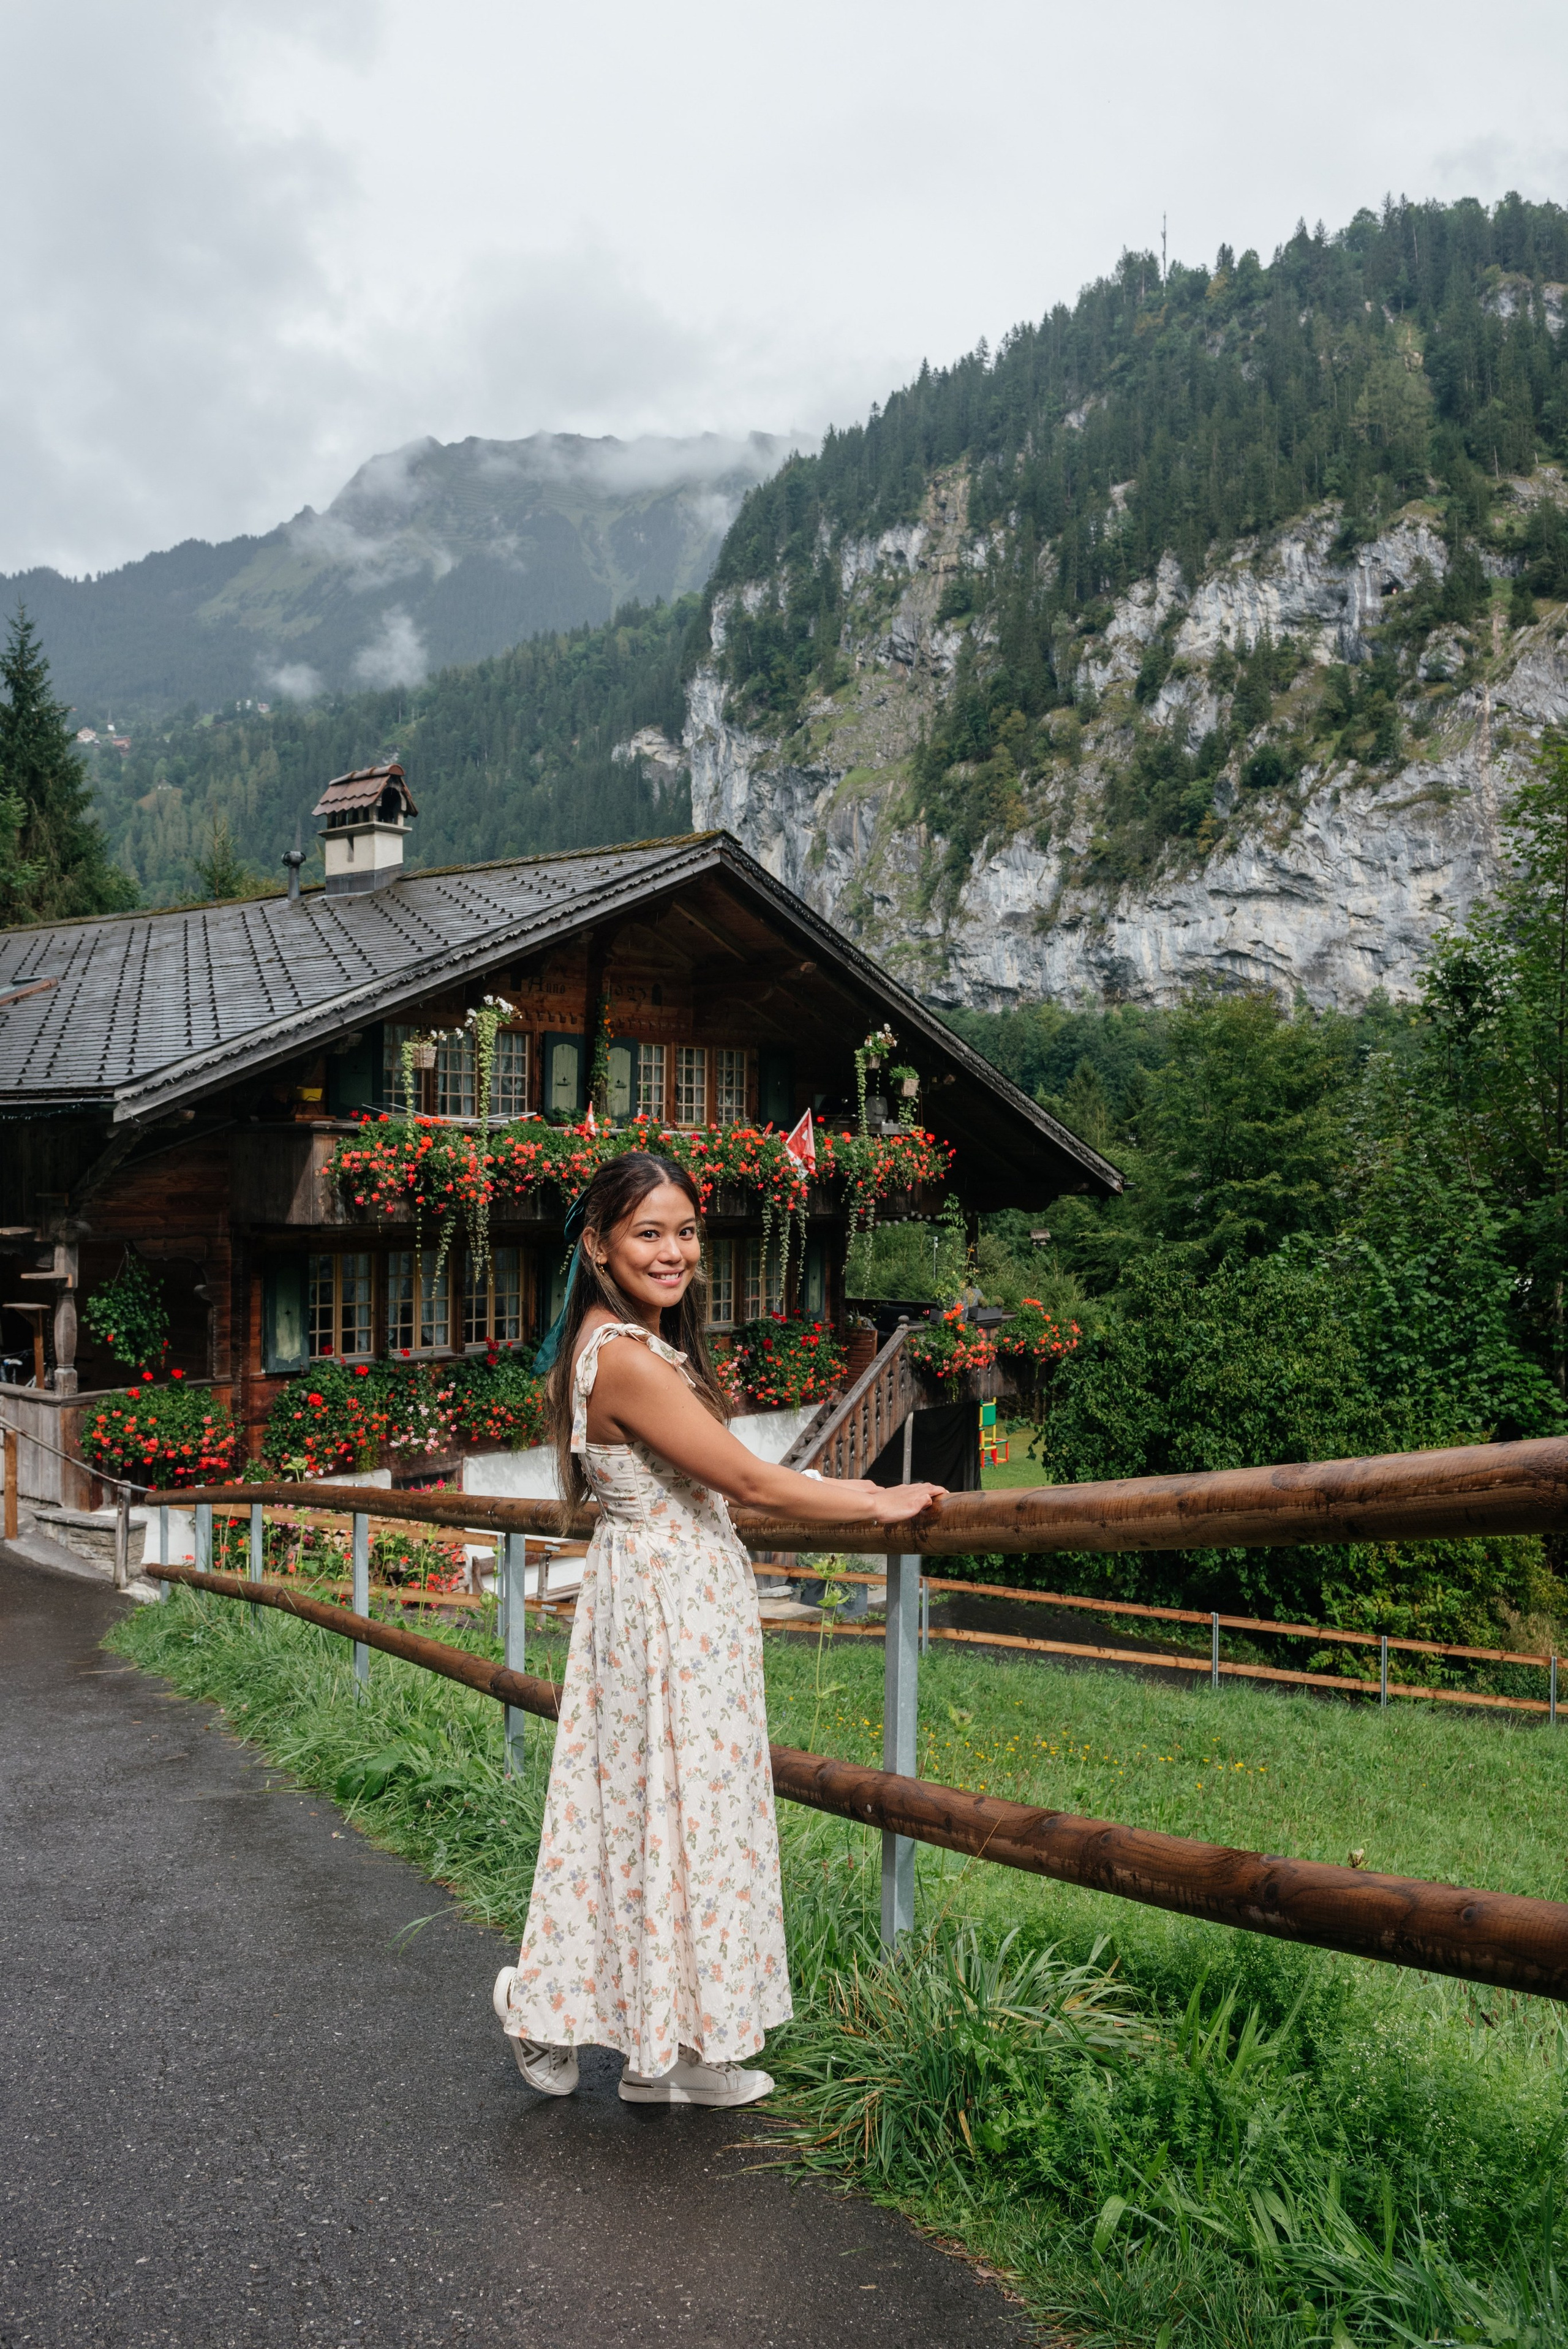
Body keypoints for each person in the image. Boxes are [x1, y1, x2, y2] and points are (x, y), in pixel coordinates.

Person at [492, 1151, 946, 2108]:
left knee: (672, 1815)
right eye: (648, 1232)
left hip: (673, 1604)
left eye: (687, 1231)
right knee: (674, 1810)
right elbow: (744, 1481)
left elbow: (727, 1480)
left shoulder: (629, 1344)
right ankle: (558, 2011)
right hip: (667, 1611)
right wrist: (876, 1504)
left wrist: (853, 1490)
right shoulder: (623, 1356)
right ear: (599, 1245)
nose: (674, 1251)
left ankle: (674, 2049)